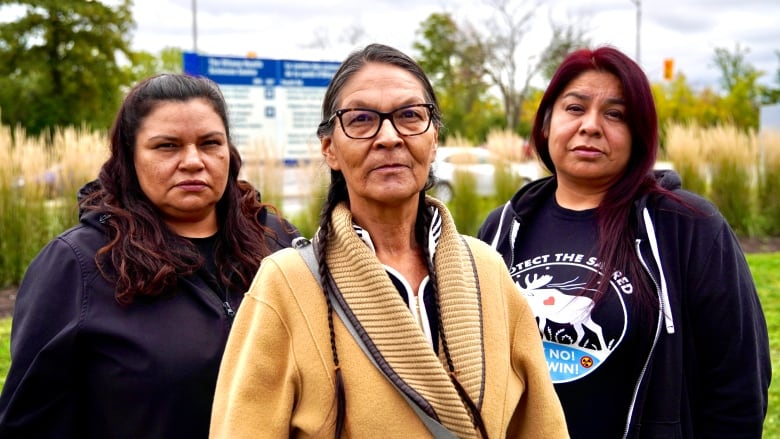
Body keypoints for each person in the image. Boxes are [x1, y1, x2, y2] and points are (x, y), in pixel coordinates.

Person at [209, 43, 568, 438]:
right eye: (361, 119)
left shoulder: (487, 271)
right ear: (330, 148)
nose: (389, 136)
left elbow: (540, 425)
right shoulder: (287, 284)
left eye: (410, 116)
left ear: (433, 140)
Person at [477, 46, 771, 438]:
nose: (591, 126)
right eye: (575, 108)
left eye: (615, 114)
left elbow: (738, 384)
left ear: (638, 136)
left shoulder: (688, 227)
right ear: (546, 124)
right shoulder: (503, 228)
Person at [0, 74, 300, 438]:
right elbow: (30, 422)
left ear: (228, 152)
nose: (193, 161)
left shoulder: (276, 241)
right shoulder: (78, 265)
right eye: (167, 146)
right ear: (129, 157)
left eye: (209, 143)